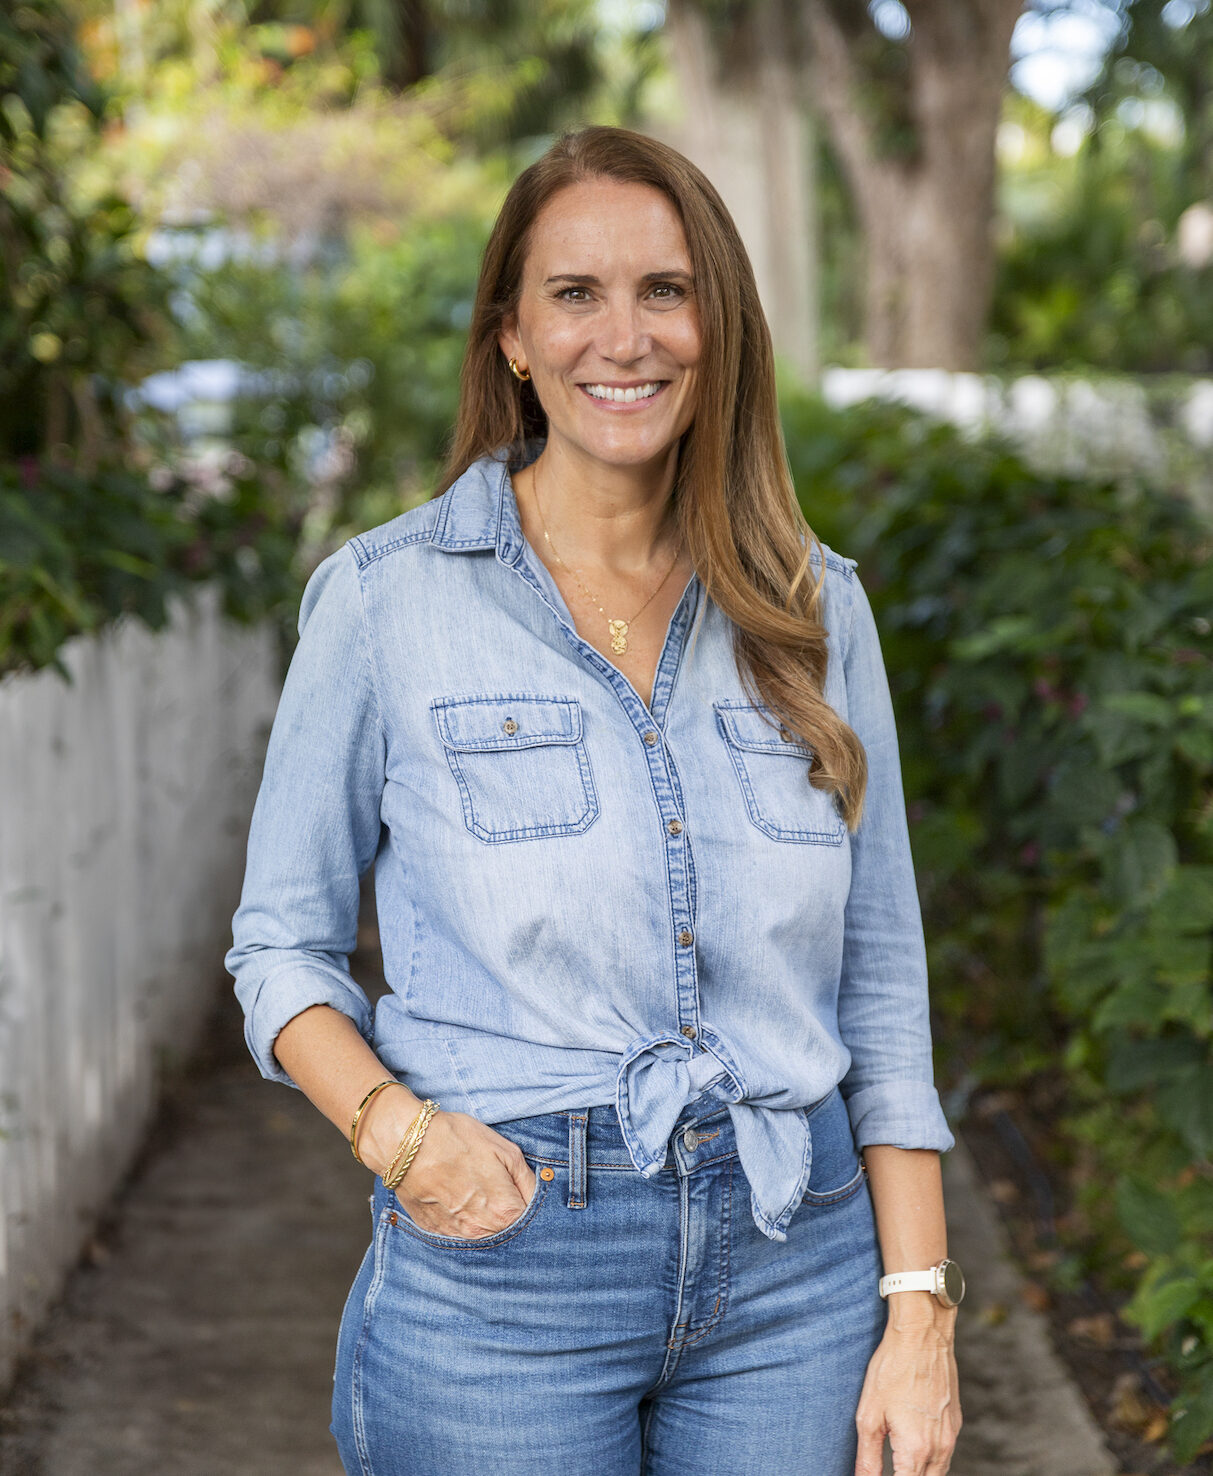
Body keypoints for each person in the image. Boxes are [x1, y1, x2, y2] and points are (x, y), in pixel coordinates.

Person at [226, 123, 963, 1476]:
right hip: (500, 1271)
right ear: (511, 334)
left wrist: (915, 1316)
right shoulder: (387, 603)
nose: (622, 338)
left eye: (663, 292)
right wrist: (399, 1138)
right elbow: (280, 950)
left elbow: (879, 985)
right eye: (574, 295)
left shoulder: (815, 609)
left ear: (716, 323)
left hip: (794, 1269)